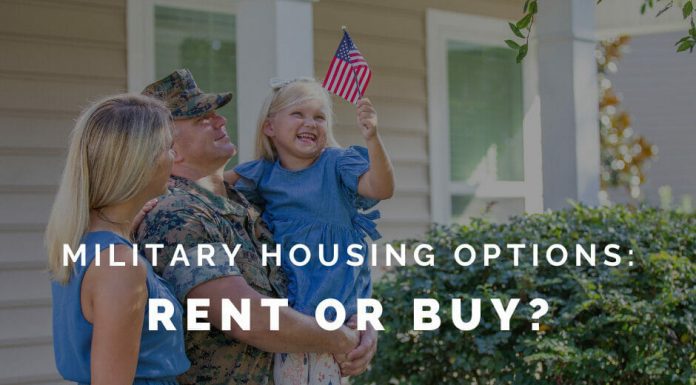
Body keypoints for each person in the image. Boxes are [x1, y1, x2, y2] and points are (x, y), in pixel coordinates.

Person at [135, 69, 377, 385]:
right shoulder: (177, 213)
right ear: (169, 146)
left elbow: (325, 264)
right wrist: (342, 339)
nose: (220, 121)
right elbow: (248, 317)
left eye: (216, 113)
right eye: (201, 119)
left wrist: (362, 318)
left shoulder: (249, 199)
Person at [222, 77, 393, 385]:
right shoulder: (263, 173)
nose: (310, 123)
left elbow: (382, 187)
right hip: (290, 312)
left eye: (319, 116)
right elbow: (209, 185)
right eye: (298, 114)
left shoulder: (338, 164)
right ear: (270, 127)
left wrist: (373, 139)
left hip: (336, 310)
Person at [46, 94, 190, 384]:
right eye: (168, 148)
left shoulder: (83, 243)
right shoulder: (119, 266)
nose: (176, 158)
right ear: (139, 163)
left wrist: (128, 221)